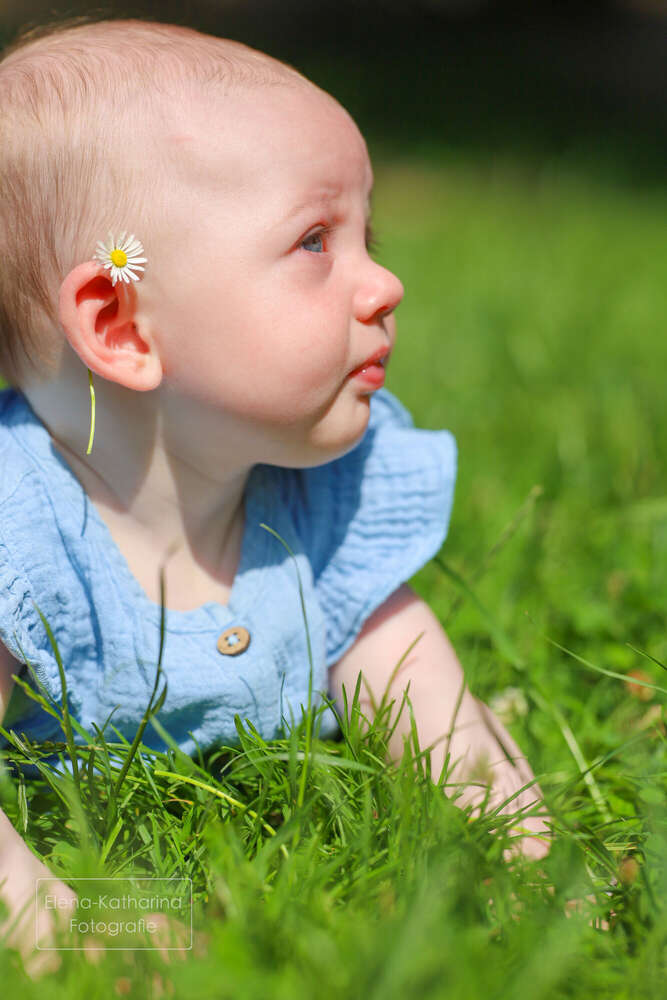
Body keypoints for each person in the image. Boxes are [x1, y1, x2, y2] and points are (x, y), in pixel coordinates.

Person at [0, 17, 551, 971]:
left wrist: (524, 854)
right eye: (314, 241)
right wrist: (59, 924)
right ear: (119, 321)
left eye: (368, 236)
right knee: (146, 899)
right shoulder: (19, 531)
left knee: (225, 904)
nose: (386, 283)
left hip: (212, 848)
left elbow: (423, 700)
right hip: (64, 849)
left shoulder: (330, 491)